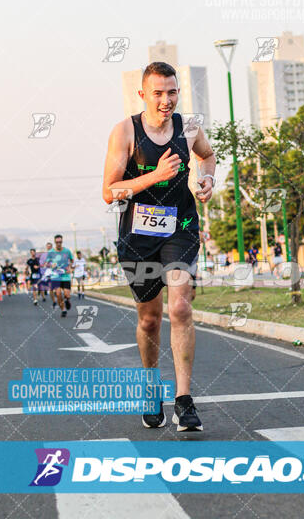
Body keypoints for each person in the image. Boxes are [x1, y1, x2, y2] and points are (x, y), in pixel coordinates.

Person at [103, 62, 216, 432]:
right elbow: (110, 192)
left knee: (181, 306)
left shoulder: (188, 127)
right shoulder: (124, 132)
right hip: (137, 237)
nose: (166, 100)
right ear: (142, 94)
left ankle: (184, 401)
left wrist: (206, 179)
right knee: (150, 318)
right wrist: (155, 175)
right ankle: (151, 388)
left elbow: (207, 156)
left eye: (172, 92)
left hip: (180, 228)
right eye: (158, 93)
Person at [46, 235, 73, 317]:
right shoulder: (51, 252)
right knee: (58, 294)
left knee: (67, 294)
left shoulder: (67, 251)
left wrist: (70, 267)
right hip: (55, 276)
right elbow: (47, 263)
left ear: (62, 242)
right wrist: (51, 265)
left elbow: (72, 260)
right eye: (57, 242)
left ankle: (67, 300)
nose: (58, 244)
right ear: (55, 242)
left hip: (65, 276)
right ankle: (63, 310)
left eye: (60, 242)